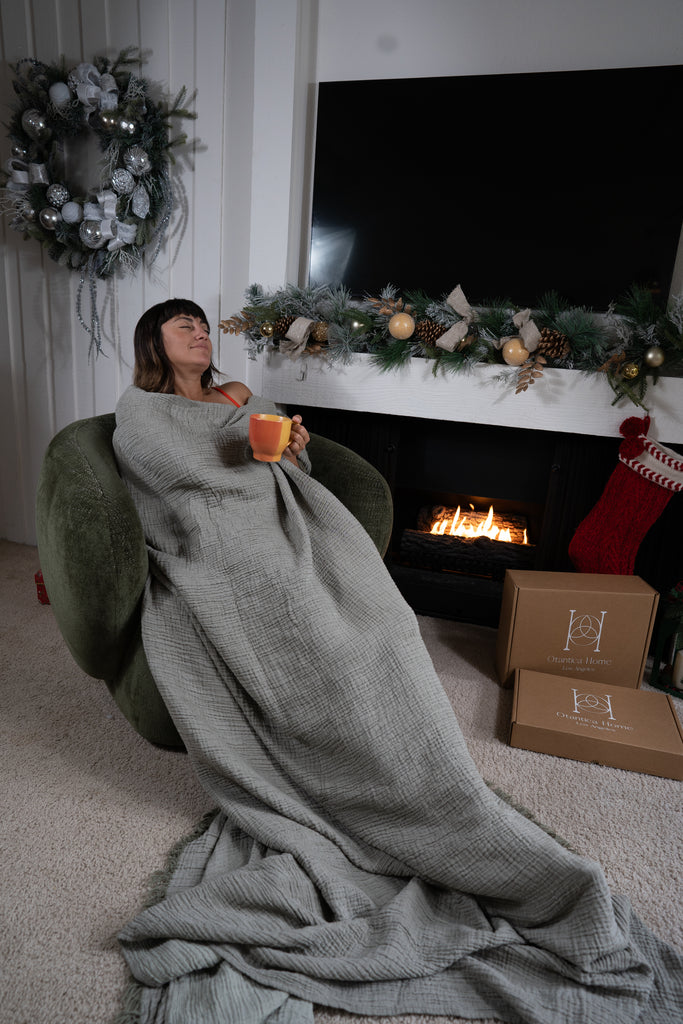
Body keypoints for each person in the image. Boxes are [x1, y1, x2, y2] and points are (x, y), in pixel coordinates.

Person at [113, 299, 682, 1024]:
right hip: (216, 539)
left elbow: (288, 458)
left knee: (382, 619)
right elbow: (174, 476)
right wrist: (244, 455)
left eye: (201, 322)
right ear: (153, 344)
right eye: (180, 325)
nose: (197, 331)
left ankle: (410, 762)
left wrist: (291, 445)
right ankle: (339, 750)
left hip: (282, 517)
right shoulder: (142, 410)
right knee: (298, 615)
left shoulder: (234, 394)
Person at [131, 297, 310, 466]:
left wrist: (289, 450)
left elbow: (292, 475)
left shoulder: (236, 393)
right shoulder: (148, 411)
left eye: (205, 330)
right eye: (186, 326)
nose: (202, 334)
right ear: (154, 343)